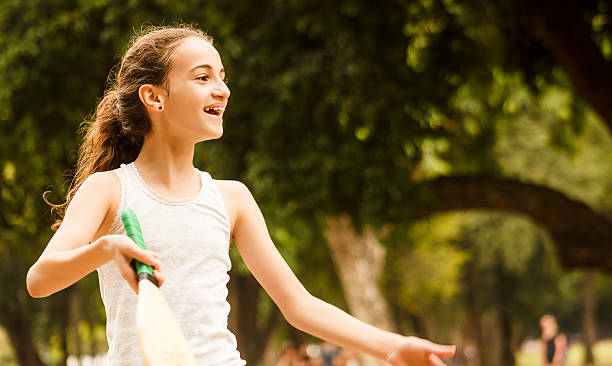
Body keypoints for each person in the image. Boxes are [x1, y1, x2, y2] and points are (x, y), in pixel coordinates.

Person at [26, 25, 456, 366]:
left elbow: (299, 305)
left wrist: (392, 348)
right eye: (202, 77)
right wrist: (107, 248)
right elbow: (40, 280)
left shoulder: (232, 199)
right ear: (154, 96)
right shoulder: (110, 189)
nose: (222, 89)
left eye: (222, 77)